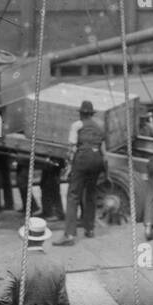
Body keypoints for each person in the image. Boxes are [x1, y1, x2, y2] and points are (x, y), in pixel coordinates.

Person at [0, 218, 71, 305]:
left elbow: (2, 296)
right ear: (43, 239)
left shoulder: (16, 266)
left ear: (24, 238)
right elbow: (63, 303)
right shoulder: (57, 265)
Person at [57, 101, 105, 245]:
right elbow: (104, 150)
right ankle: (89, 229)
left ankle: (69, 235)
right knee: (90, 194)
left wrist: (68, 167)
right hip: (97, 160)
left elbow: (72, 148)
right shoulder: (99, 126)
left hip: (83, 159)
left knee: (73, 195)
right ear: (91, 114)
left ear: (80, 113)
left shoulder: (77, 125)